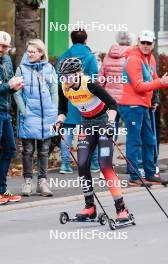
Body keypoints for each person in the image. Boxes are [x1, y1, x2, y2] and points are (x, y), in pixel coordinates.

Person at [56, 57, 132, 221]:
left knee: (105, 166)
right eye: (63, 76)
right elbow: (62, 109)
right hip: (86, 126)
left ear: (78, 73)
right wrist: (59, 121)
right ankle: (90, 207)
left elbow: (112, 104)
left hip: (103, 124)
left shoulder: (89, 84)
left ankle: (121, 209)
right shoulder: (64, 87)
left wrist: (111, 123)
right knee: (82, 164)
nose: (65, 80)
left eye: (68, 76)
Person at [118, 30, 168, 187]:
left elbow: (155, 79)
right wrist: (161, 83)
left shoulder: (150, 59)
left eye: (148, 43)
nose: (145, 45)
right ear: (138, 42)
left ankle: (150, 173)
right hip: (131, 105)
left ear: (153, 44)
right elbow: (138, 86)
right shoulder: (133, 59)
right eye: (143, 42)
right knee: (135, 141)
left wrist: (167, 82)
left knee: (149, 140)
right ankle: (134, 176)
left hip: (144, 105)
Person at [14, 39, 58, 196]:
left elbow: (54, 91)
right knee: (28, 150)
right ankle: (27, 182)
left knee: (44, 150)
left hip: (47, 116)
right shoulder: (21, 69)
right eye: (29, 51)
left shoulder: (49, 69)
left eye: (33, 51)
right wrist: (24, 112)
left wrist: (53, 111)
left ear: (41, 53)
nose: (30, 54)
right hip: (29, 116)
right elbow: (17, 93)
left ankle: (42, 182)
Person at [55, 28, 100, 174]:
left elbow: (58, 79)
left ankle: (65, 164)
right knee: (90, 131)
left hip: (69, 98)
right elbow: (94, 80)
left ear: (72, 40)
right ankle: (93, 164)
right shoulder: (90, 57)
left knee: (67, 131)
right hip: (86, 101)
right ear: (86, 40)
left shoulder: (63, 56)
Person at [98, 31, 132, 179]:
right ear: (130, 41)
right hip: (127, 100)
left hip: (110, 101)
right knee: (132, 134)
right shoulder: (131, 55)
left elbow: (100, 79)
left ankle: (104, 169)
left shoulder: (108, 55)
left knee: (109, 134)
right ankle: (133, 167)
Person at [0, 31, 24, 204]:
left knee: (10, 149)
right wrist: (8, 86)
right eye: (1, 46)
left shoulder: (7, 59)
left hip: (5, 111)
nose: (3, 50)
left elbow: (7, 85)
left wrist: (14, 87)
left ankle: (2, 190)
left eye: (6, 47)